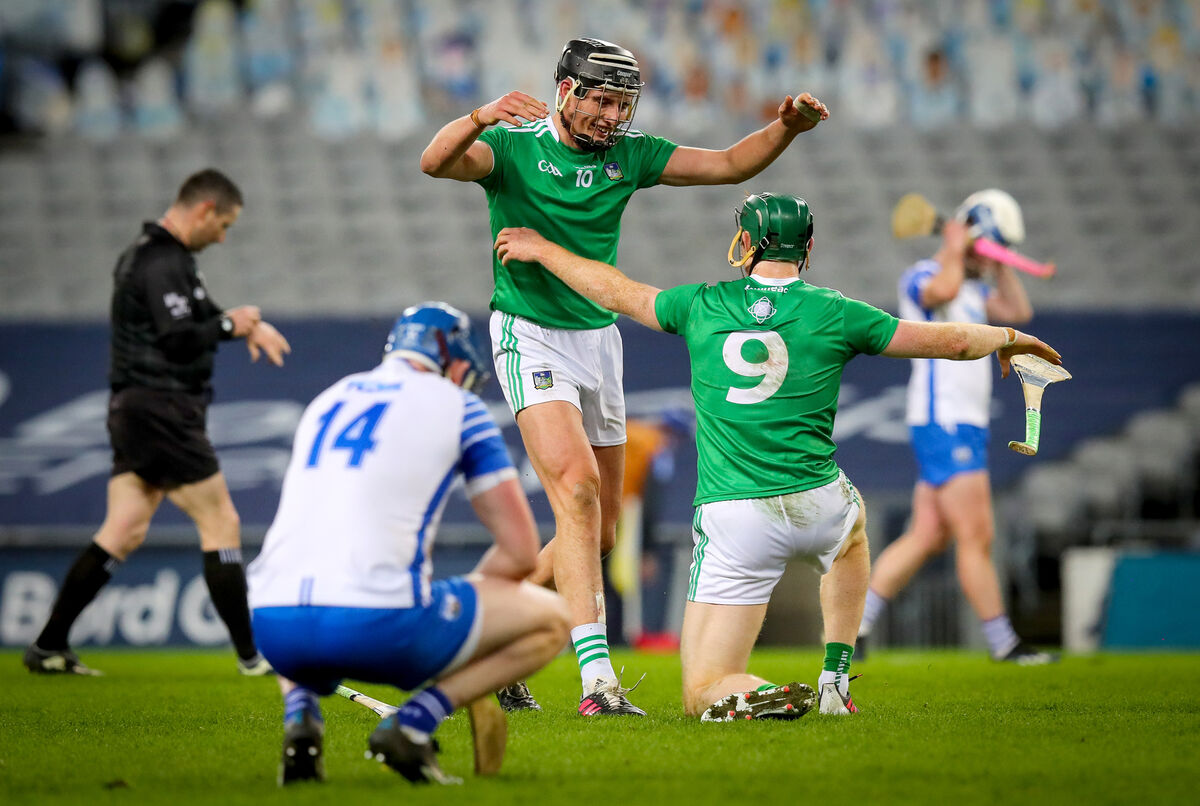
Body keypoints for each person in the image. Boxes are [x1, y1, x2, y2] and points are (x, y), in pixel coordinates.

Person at [492, 191, 1062, 718]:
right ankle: (836, 680)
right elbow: (952, 341)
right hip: (818, 503)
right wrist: (1011, 339)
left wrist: (542, 250)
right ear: (807, 248)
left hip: (737, 517)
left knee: (702, 691)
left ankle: (754, 692)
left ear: (748, 243)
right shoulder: (836, 311)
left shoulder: (702, 304)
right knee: (853, 534)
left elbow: (612, 288)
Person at [420, 36, 829, 715]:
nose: (613, 116)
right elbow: (435, 162)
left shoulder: (629, 156)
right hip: (529, 334)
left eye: (623, 103)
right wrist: (480, 116)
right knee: (575, 494)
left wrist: (785, 126)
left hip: (599, 341)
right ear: (566, 92)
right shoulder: (515, 148)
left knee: (602, 531)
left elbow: (729, 165)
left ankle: (486, 634)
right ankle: (597, 683)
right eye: (603, 100)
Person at [246, 303, 570, 785]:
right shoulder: (459, 406)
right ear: (451, 359)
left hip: (271, 627)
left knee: (297, 579)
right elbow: (522, 554)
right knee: (552, 621)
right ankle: (413, 726)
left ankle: (301, 720)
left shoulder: (328, 399)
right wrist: (475, 617)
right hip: (377, 626)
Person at [23, 168, 290, 676]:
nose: (223, 236)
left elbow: (202, 316)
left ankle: (48, 645)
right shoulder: (160, 261)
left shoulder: (167, 260)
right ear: (206, 210)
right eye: (225, 224)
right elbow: (178, 337)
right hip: (160, 409)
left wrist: (243, 326)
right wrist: (233, 325)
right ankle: (252, 658)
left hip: (136, 411)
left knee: (122, 530)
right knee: (221, 521)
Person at [857, 189, 1057, 664]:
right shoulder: (924, 276)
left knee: (927, 535)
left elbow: (1018, 313)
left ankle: (855, 627)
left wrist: (998, 259)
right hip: (944, 421)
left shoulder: (974, 289)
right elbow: (939, 292)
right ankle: (1004, 643)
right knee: (977, 534)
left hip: (959, 424)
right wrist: (954, 244)